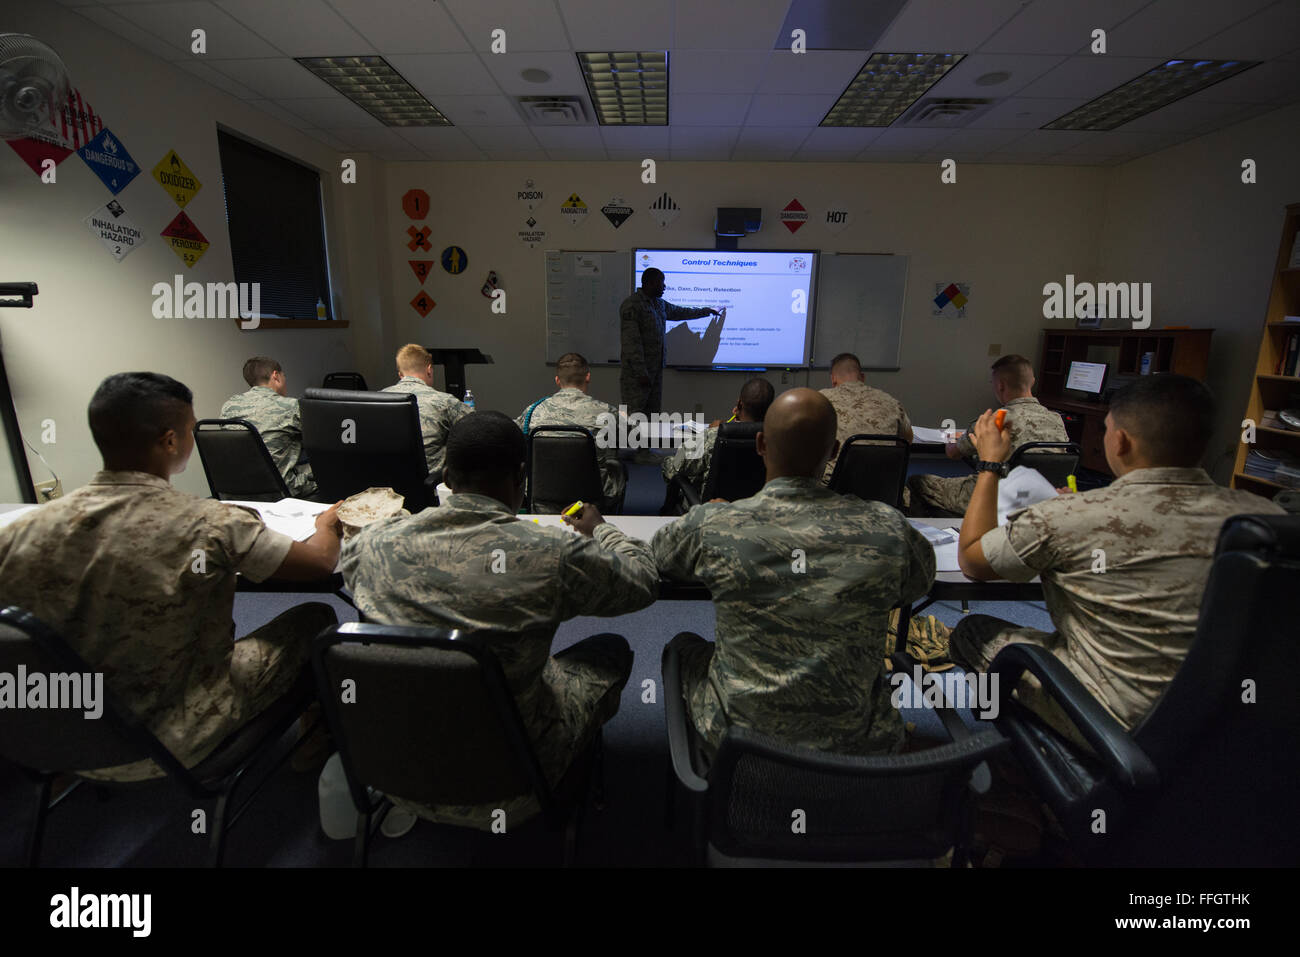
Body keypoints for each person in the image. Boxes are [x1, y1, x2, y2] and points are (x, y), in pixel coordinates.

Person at [0, 372, 342, 782]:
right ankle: (316, 743)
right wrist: (327, 524)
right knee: (316, 617)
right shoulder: (211, 522)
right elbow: (321, 564)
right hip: (175, 736)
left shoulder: (20, 531)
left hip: (61, 737)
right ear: (170, 441)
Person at [340, 411, 657, 829]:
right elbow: (642, 580)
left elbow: (353, 561)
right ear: (521, 476)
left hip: (393, 772)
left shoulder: (373, 545)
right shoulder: (551, 553)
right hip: (513, 784)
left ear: (447, 478)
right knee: (608, 650)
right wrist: (602, 530)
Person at [946, 374, 1284, 743]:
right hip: (1233, 718)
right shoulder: (1267, 519)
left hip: (1117, 719)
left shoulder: (1070, 517)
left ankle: (1030, 758)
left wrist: (991, 463)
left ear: (1120, 441)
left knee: (971, 633)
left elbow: (973, 559)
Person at [652, 388, 935, 759]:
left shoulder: (717, 526)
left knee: (685, 648)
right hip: (863, 754)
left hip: (742, 751)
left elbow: (660, 555)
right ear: (834, 451)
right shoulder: (887, 529)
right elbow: (920, 581)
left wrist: (708, 518)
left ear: (760, 445)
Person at [908, 354, 1069, 515]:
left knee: (918, 482)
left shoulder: (996, 420)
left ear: (1000, 385)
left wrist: (955, 437)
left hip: (993, 497)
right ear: (1032, 381)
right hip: (1042, 497)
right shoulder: (1056, 419)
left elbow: (952, 452)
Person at [516, 352, 626, 513]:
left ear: (557, 380)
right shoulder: (607, 413)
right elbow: (635, 435)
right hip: (592, 501)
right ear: (587, 377)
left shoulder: (533, 411)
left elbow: (514, 434)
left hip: (542, 498)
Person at [619, 267, 721, 415]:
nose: (664, 287)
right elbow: (631, 343)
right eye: (662, 283)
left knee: (653, 415)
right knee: (633, 415)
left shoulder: (659, 304)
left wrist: (707, 311)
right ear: (651, 283)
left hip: (655, 372)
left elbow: (682, 312)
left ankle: (649, 439)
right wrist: (641, 372)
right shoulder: (632, 305)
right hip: (637, 376)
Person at [661, 376, 774, 499]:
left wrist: (709, 431)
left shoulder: (714, 435)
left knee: (670, 463)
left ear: (739, 404)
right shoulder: (777, 439)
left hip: (714, 508)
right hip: (758, 505)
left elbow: (679, 463)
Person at [220, 356, 316, 497]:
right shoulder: (291, 406)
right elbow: (321, 437)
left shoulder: (229, 406)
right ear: (276, 376)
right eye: (284, 376)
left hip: (236, 491)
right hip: (281, 489)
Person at [819, 352, 913, 484]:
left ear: (833, 378)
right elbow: (907, 440)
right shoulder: (891, 402)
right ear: (862, 377)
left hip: (833, 486)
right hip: (884, 487)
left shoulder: (821, 399)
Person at [381, 343, 469, 477]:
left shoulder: (378, 398)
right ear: (429, 369)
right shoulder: (444, 401)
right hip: (430, 485)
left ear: (400, 374)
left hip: (385, 485)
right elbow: (476, 431)